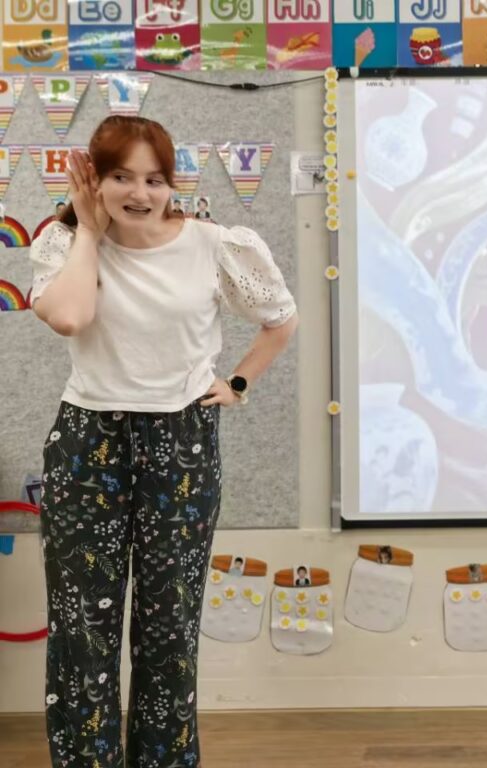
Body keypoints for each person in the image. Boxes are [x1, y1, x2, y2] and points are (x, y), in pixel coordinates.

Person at [30, 115, 298, 768]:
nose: (140, 193)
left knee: (169, 626)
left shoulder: (213, 245)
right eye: (122, 177)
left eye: (155, 179)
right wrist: (89, 230)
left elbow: (280, 319)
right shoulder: (62, 243)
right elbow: (70, 316)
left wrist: (237, 382)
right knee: (81, 627)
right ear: (94, 179)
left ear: (172, 183)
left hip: (181, 439)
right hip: (88, 439)